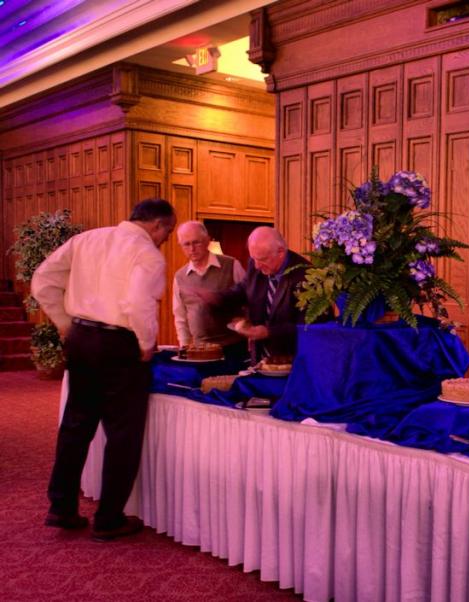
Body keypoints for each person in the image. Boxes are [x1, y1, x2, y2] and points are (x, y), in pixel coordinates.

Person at [31, 198, 176, 542]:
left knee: (75, 426)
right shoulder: (147, 254)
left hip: (81, 338)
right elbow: (138, 303)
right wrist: (146, 343)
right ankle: (109, 519)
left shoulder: (87, 239)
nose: (166, 238)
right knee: (122, 434)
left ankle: (61, 507)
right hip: (120, 345)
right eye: (168, 231)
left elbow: (42, 280)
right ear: (157, 224)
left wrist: (64, 323)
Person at [213, 226, 313, 361]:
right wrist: (216, 298)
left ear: (281, 252)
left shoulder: (306, 275)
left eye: (262, 259)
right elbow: (244, 289)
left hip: (292, 360)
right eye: (253, 258)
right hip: (260, 358)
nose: (256, 266)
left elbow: (309, 327)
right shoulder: (256, 263)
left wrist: (269, 331)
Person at [171, 221, 246, 358]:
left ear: (207, 241)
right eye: (186, 244)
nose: (192, 249)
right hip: (199, 350)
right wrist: (184, 346)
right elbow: (180, 316)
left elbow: (249, 300)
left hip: (233, 347)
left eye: (196, 242)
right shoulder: (179, 276)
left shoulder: (231, 265)